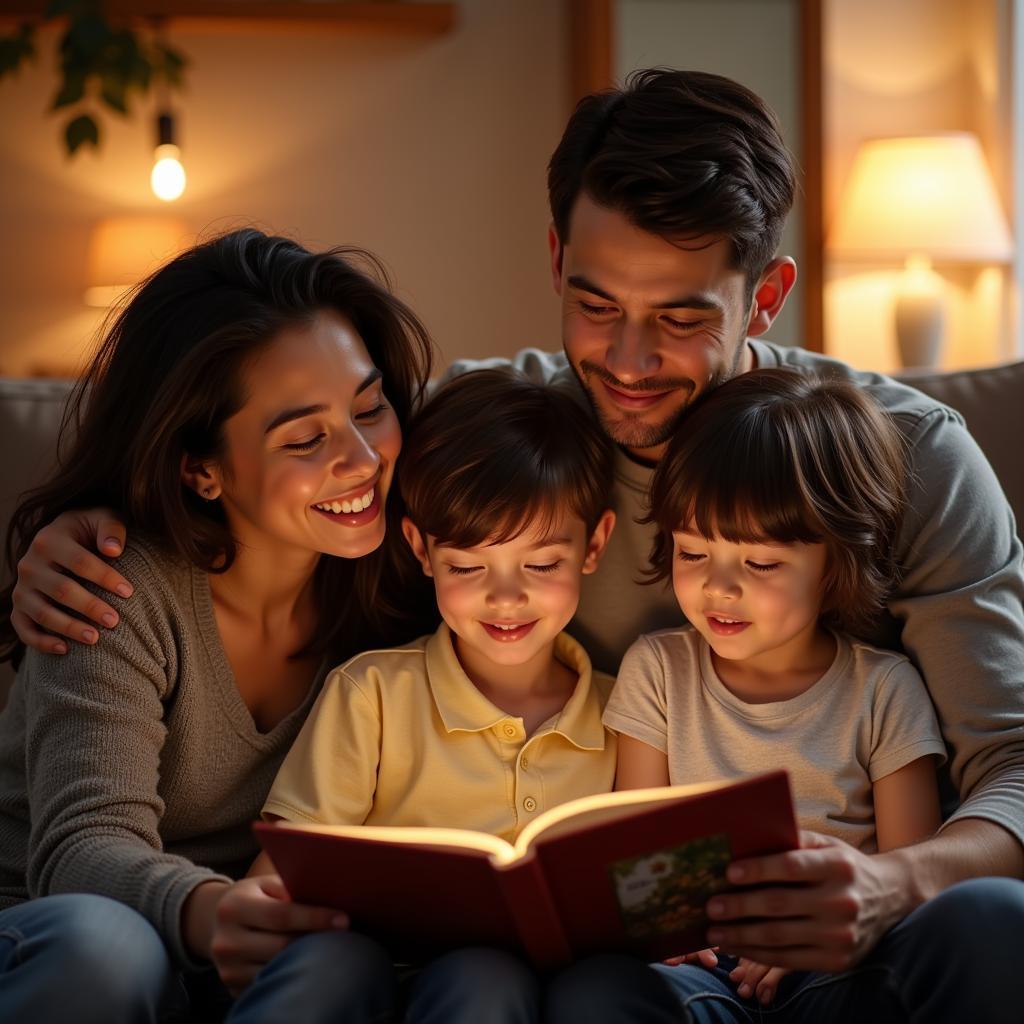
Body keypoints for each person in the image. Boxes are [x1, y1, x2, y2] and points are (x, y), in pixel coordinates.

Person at [9, 68, 1024, 1021]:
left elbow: (1012, 766)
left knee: (990, 923)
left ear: (764, 295)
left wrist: (895, 879)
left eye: (677, 318)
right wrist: (83, 528)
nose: (626, 361)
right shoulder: (482, 438)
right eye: (594, 304)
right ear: (554, 259)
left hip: (847, 927)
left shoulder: (907, 456)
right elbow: (262, 482)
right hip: (602, 967)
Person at [0, 227, 439, 1022]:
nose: (363, 458)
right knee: (110, 949)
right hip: (61, 936)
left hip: (257, 956)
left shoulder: (406, 572)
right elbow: (79, 852)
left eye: (370, 408)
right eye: (306, 438)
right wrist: (214, 912)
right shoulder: (109, 583)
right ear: (199, 468)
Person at [248, 367, 618, 1020]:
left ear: (595, 544)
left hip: (553, 984)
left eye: (541, 564)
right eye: (468, 567)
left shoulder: (631, 712)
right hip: (385, 974)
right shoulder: (373, 695)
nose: (506, 597)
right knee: (477, 979)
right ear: (421, 548)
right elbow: (285, 866)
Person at [603, 368, 945, 1009]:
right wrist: (664, 930)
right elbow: (638, 852)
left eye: (760, 562)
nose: (718, 587)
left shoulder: (883, 690)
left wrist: (807, 936)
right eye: (692, 552)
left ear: (835, 562)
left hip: (833, 954)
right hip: (697, 959)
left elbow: (905, 883)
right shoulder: (657, 671)